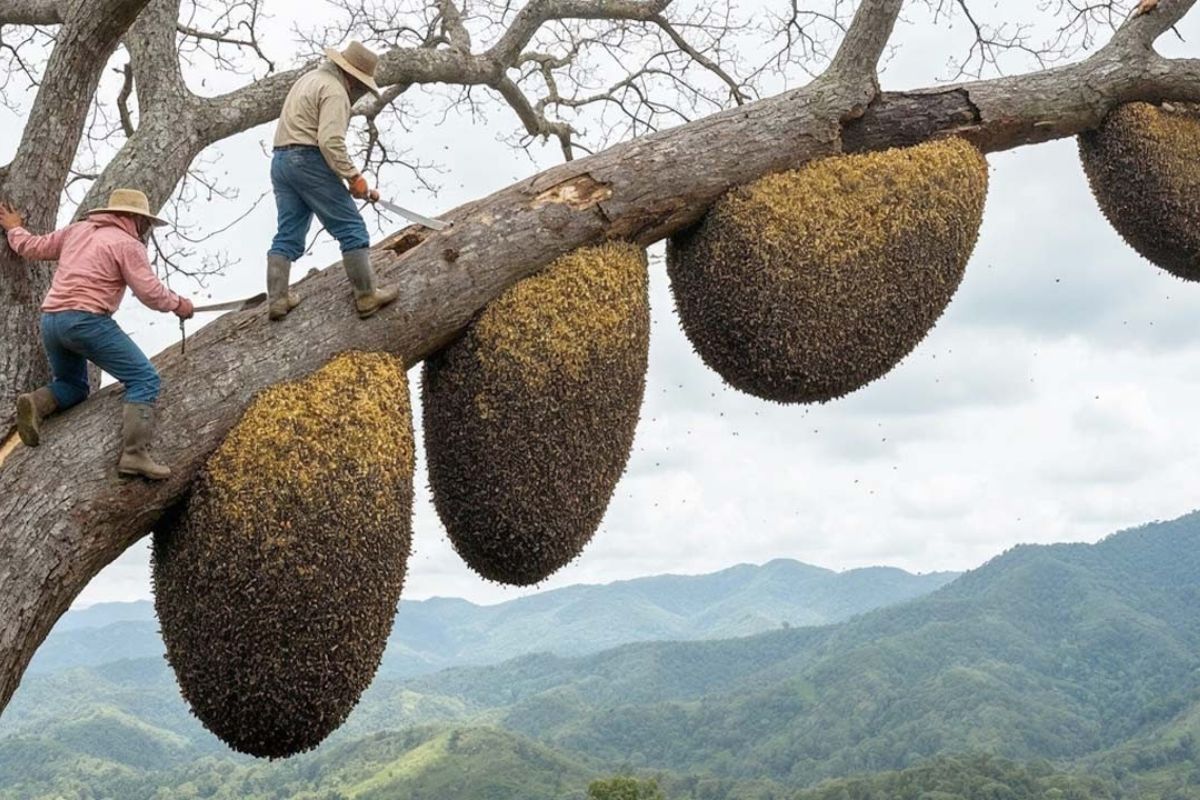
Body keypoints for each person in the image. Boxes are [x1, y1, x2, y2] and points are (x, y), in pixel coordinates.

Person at [0, 189, 194, 480]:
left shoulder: (77, 231)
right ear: (135, 218)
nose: (145, 229)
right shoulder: (128, 244)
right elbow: (150, 293)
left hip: (51, 321)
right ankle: (134, 455)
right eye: (145, 222)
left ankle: (37, 403)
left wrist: (14, 229)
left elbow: (33, 247)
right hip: (86, 321)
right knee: (144, 379)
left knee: (73, 386)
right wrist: (180, 305)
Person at [268, 40, 399, 321]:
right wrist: (354, 176)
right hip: (307, 159)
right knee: (351, 228)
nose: (360, 92)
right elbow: (329, 142)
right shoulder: (336, 91)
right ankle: (366, 295)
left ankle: (277, 300)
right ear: (353, 77)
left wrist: (349, 181)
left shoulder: (309, 79)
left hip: (281, 161)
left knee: (288, 234)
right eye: (361, 86)